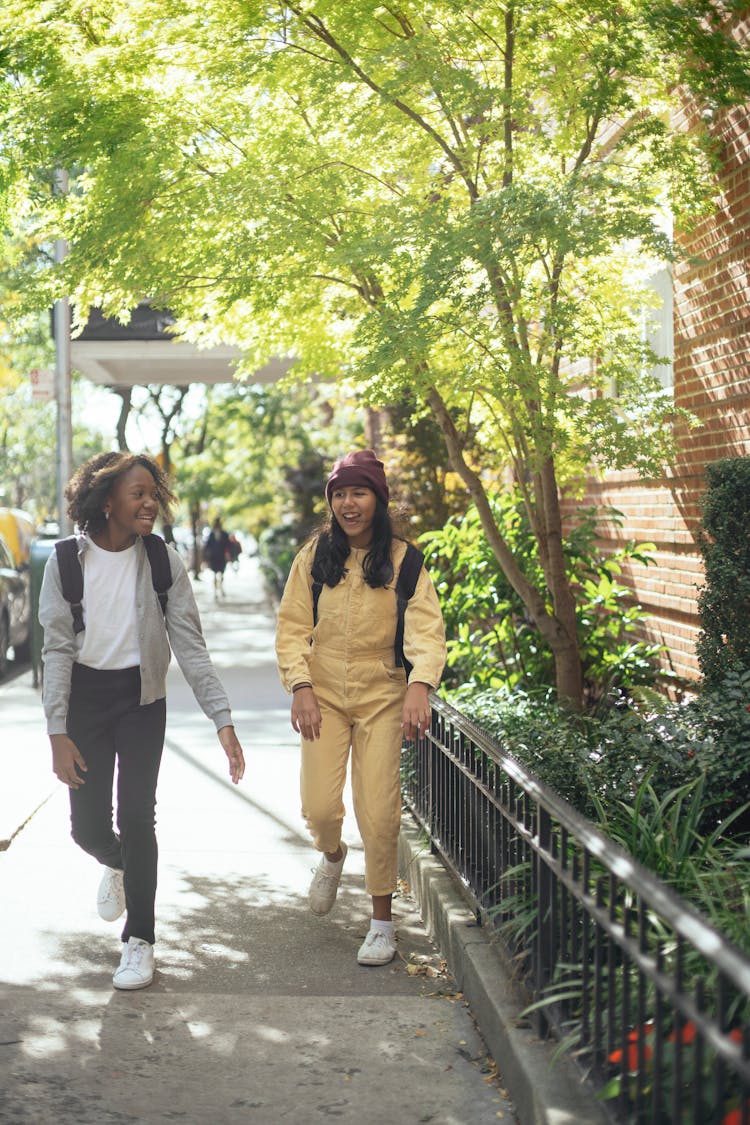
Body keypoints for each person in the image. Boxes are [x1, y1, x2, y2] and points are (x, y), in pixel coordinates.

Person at [39, 452, 246, 991]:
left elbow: (192, 647)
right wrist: (57, 732)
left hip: (141, 700)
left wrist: (221, 719)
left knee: (137, 818)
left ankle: (140, 941)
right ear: (107, 500)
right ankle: (121, 864)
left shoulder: (163, 562)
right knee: (86, 829)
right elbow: (57, 650)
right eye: (138, 493)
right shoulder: (64, 563)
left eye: (154, 493)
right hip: (84, 701)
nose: (150, 502)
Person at [275, 449, 446, 966]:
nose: (349, 503)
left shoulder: (404, 559)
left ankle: (381, 923)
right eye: (340, 494)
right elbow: (291, 627)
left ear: (378, 498)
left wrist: (421, 684)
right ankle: (331, 856)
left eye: (359, 492)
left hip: (382, 693)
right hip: (324, 691)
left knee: (378, 812)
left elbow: (426, 630)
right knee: (321, 810)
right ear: (331, 501)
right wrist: (300, 685)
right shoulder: (314, 556)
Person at [204, 518, 231, 597]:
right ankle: (216, 591)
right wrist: (207, 557)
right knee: (214, 574)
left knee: (222, 574)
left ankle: (221, 589)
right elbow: (208, 546)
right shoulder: (211, 534)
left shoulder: (224, 534)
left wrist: (227, 555)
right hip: (214, 557)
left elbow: (228, 545)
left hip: (222, 557)